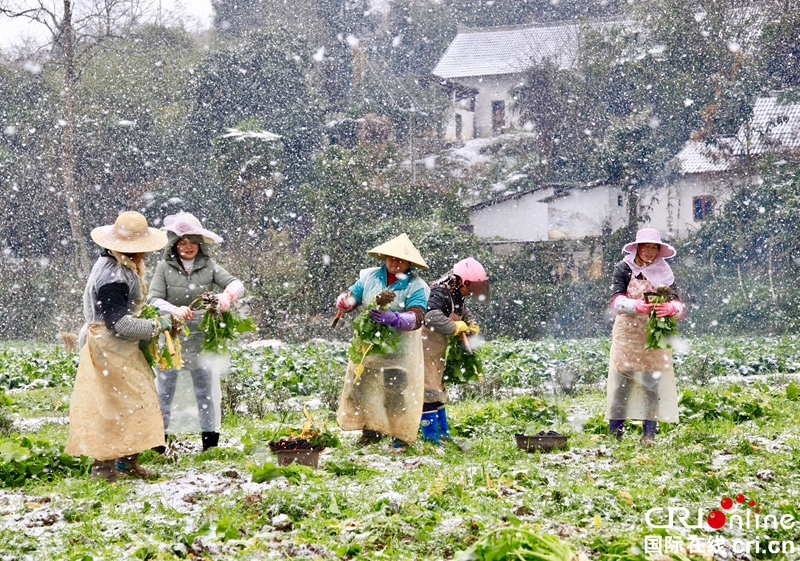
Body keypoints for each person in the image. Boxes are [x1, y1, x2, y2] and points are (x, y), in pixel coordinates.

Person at [65, 211, 171, 481]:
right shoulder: (112, 276)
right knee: (111, 405)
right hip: (108, 347)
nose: (144, 255)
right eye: (141, 250)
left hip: (121, 348)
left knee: (136, 400)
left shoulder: (120, 264)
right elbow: (119, 324)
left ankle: (127, 461)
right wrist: (158, 326)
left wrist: (152, 316)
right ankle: (103, 470)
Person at [147, 212, 244, 452]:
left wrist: (226, 296)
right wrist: (175, 310)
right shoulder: (163, 268)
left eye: (192, 241)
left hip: (203, 337)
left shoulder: (209, 266)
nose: (187, 246)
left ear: (199, 244)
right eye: (181, 241)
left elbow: (236, 284)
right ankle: (160, 443)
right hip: (172, 338)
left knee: (205, 390)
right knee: (165, 390)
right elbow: (154, 300)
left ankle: (209, 444)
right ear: (173, 245)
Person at [335, 233, 430, 449]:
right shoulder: (369, 277)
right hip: (369, 347)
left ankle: (399, 435)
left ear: (409, 264)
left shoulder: (415, 285)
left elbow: (417, 317)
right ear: (384, 258)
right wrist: (345, 302)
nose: (394, 263)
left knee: (394, 390)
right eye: (391, 258)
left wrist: (395, 319)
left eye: (400, 260)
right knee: (364, 389)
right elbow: (354, 296)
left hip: (398, 350)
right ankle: (371, 431)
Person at [606, 228, 684, 443]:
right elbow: (615, 300)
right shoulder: (623, 268)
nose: (649, 251)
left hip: (653, 334)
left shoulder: (664, 271)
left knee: (652, 384)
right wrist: (636, 306)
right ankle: (615, 436)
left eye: (654, 247)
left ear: (659, 250)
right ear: (637, 247)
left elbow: (676, 300)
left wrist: (671, 308)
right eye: (645, 246)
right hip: (627, 333)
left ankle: (648, 435)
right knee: (623, 383)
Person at [420, 258, 489, 444]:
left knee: (439, 388)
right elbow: (431, 317)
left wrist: (470, 324)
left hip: (439, 348)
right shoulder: (439, 293)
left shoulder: (458, 295)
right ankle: (431, 437)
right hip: (425, 346)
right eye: (471, 287)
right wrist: (455, 327)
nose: (472, 291)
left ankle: (443, 433)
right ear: (459, 280)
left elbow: (462, 311)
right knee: (428, 389)